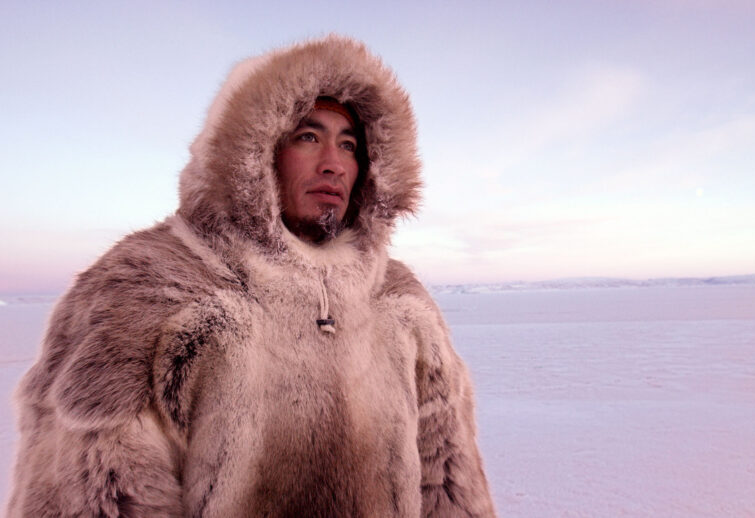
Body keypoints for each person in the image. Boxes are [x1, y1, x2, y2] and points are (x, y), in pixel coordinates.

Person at [7, 35, 496, 517]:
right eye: (308, 137)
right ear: (256, 151)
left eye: (349, 145)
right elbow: (94, 495)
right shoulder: (147, 287)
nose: (334, 164)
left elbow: (450, 486)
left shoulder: (400, 300)